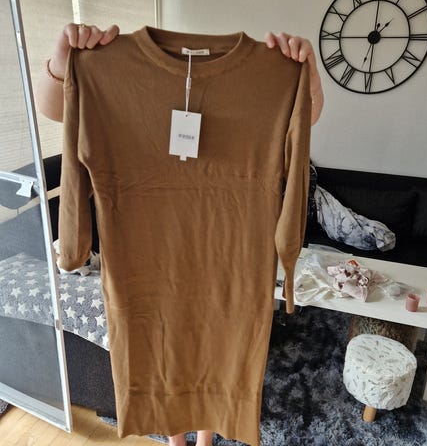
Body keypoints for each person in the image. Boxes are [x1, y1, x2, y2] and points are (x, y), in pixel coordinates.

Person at [36, 23, 323, 446]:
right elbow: (56, 111)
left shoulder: (272, 74)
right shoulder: (106, 67)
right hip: (144, 257)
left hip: (231, 261)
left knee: (218, 343)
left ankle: (203, 438)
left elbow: (304, 125)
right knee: (158, 344)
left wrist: (306, 72)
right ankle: (176, 439)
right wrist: (64, 61)